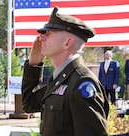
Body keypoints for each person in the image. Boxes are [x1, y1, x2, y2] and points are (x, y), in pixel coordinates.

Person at [21, 7, 109, 136]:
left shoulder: (81, 83)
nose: (41, 37)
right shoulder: (61, 79)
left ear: (67, 42)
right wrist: (33, 66)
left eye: (49, 34)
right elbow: (29, 104)